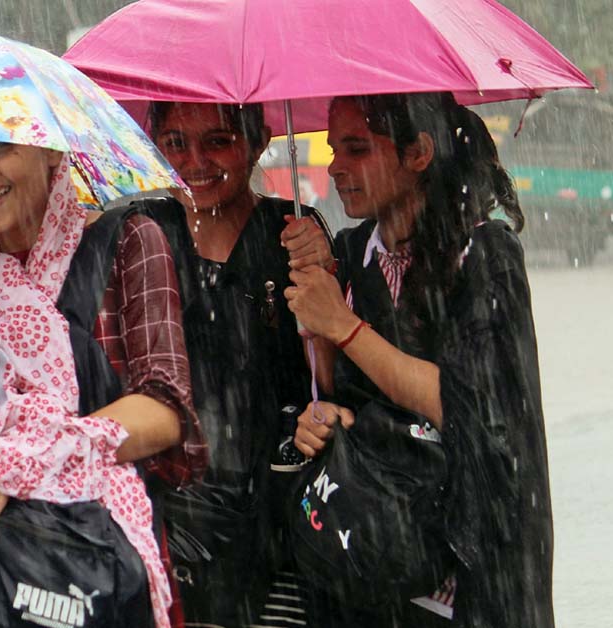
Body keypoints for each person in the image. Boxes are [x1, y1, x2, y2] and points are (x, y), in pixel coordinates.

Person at [283, 92, 553, 627]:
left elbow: (462, 402)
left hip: (472, 555)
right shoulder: (352, 251)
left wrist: (345, 325)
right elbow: (337, 391)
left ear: (419, 153)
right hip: (378, 560)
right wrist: (320, 405)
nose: (336, 167)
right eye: (333, 149)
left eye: (357, 148)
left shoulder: (483, 255)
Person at [0, 137, 209, 628]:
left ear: (54, 150)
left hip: (96, 559)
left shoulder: (126, 242)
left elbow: (163, 413)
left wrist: (10, 468)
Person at [132, 101, 332, 628]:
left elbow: (328, 381)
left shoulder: (293, 232)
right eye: (175, 143)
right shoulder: (135, 234)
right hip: (162, 514)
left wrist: (321, 279)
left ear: (260, 140)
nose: (195, 160)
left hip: (280, 508)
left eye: (218, 141)